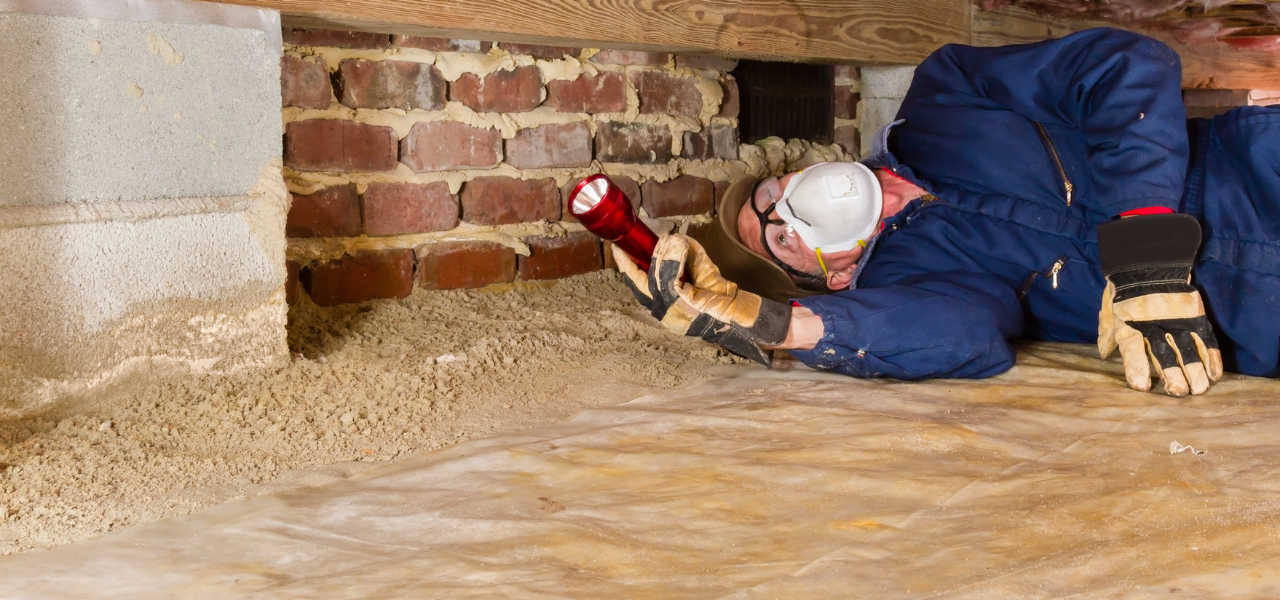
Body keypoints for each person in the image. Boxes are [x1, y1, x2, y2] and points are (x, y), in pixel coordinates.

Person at [612, 27, 1280, 398]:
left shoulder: (944, 93)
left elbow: (1123, 66)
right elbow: (964, 338)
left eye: (771, 195)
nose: (789, 208)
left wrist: (1145, 251)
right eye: (781, 237)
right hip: (1249, 318)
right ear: (836, 275)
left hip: (1257, 173)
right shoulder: (908, 283)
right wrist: (774, 323)